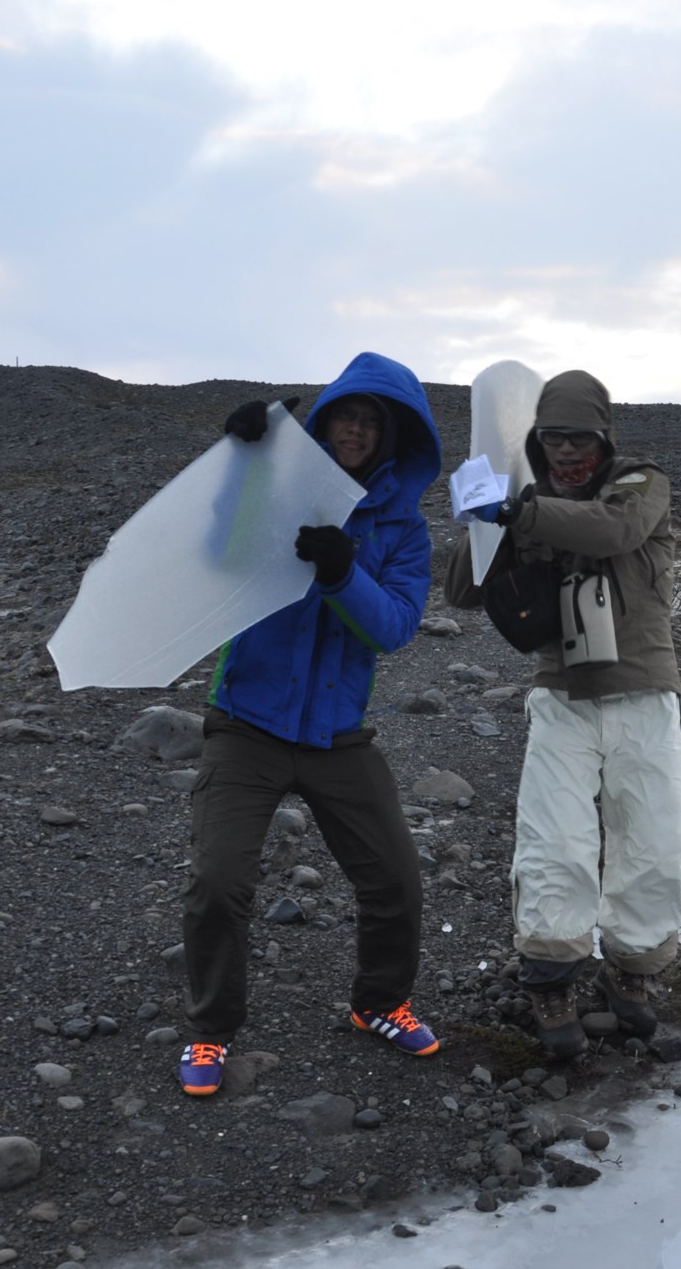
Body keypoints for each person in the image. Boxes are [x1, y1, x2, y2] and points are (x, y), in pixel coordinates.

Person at [175, 351, 442, 1098]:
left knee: (394, 878)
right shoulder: (280, 493)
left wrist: (340, 572)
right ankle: (210, 1032)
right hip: (247, 722)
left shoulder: (404, 531)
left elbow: (392, 626)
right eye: (344, 417)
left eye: (370, 422)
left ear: (394, 438)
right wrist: (240, 459)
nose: (355, 430)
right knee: (218, 881)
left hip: (336, 735)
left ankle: (380, 1005)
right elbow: (221, 551)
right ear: (324, 423)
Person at [443, 369, 681, 1060]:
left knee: (654, 843)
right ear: (536, 439)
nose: (565, 454)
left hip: (645, 694)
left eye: (579, 440)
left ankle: (633, 974)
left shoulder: (641, 484)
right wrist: (475, 517)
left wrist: (518, 511)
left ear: (605, 438)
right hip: (561, 698)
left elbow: (616, 530)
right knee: (554, 845)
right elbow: (461, 590)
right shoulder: (524, 500)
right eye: (552, 440)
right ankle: (552, 980)